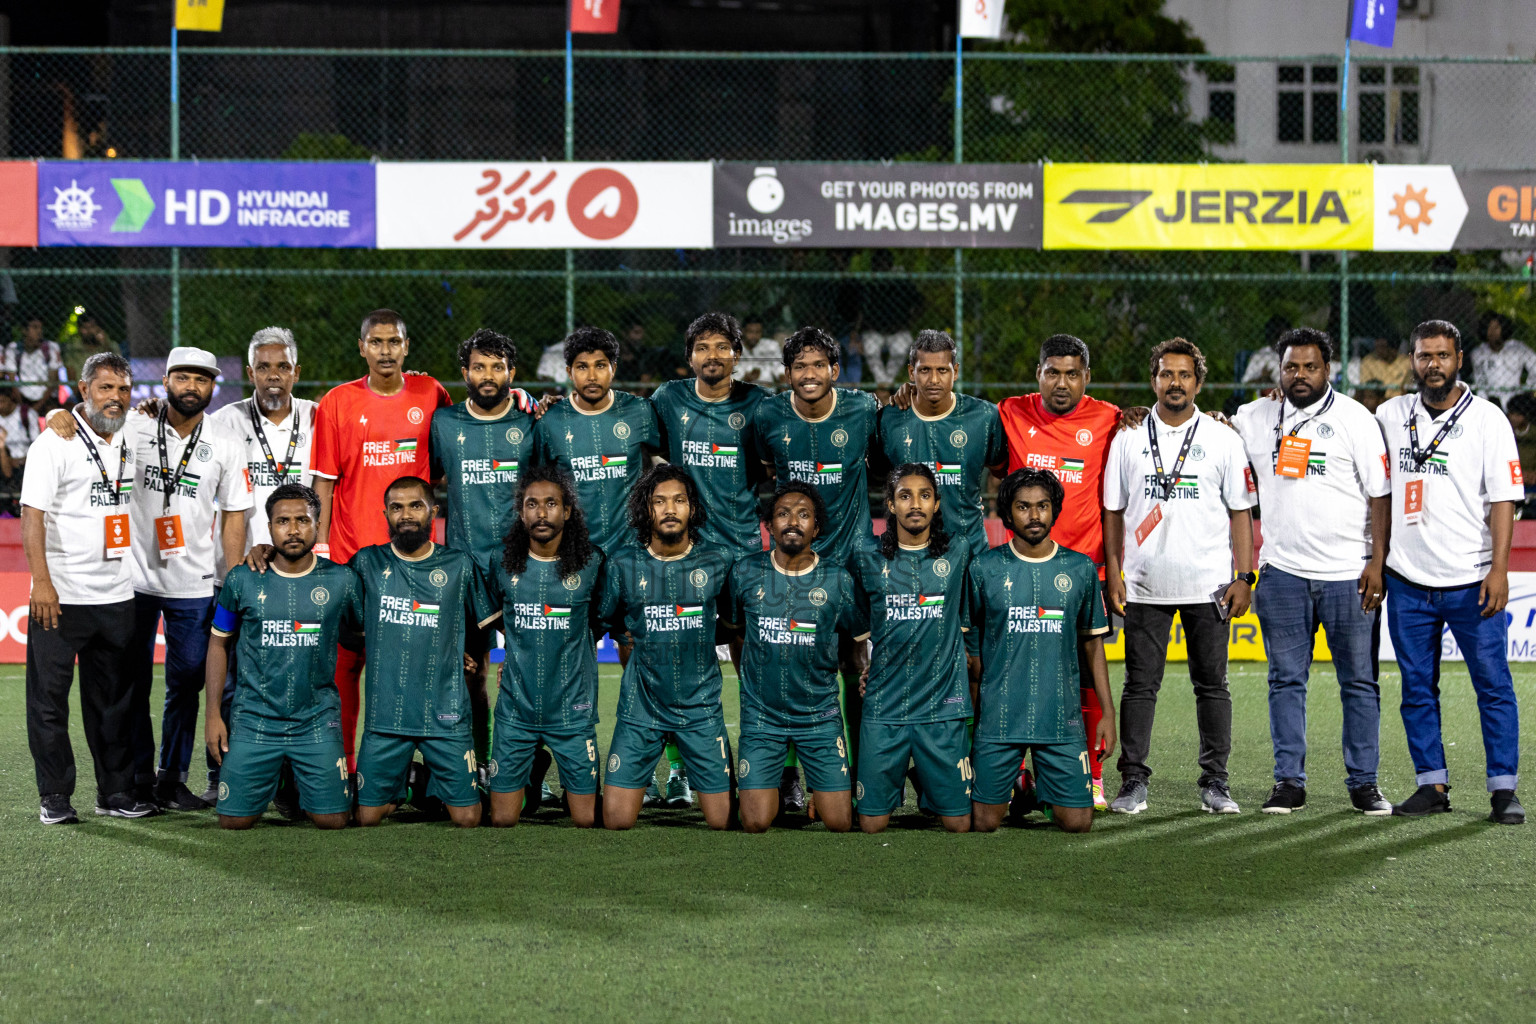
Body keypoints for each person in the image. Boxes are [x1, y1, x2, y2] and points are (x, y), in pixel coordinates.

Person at [1231, 328, 1394, 816]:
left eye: (1310, 367)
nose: (1300, 376)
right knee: (1285, 681)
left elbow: (1380, 493)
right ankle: (1289, 783)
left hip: (1349, 573)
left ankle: (1364, 783)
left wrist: (1376, 561)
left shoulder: (1356, 419)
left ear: (1329, 369)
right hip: (1281, 573)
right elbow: (1207, 426)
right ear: (1278, 370)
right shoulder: (1256, 416)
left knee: (1360, 682)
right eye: (1291, 367)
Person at [1377, 320, 1525, 825]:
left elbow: (1505, 499)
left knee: (1493, 686)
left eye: (1441, 355)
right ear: (1412, 360)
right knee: (1417, 688)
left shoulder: (1488, 419)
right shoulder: (1390, 414)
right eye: (1423, 356)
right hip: (1407, 580)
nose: (1432, 364)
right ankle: (1431, 784)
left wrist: (1500, 570)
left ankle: (1504, 790)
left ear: (1460, 358)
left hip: (1472, 578)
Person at [1103, 337, 1256, 816]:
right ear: (1153, 380)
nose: (1175, 383)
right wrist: (1114, 571)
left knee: (1213, 685)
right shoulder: (1127, 436)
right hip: (1145, 583)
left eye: (1184, 375)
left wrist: (1245, 577)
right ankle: (1132, 781)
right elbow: (1113, 510)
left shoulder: (1223, 438)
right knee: (1139, 685)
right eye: (1166, 374)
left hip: (1208, 584)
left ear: (1198, 381)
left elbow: (1241, 512)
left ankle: (1216, 783)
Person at [309, 309, 452, 772]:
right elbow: (324, 485)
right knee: (346, 669)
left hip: (416, 563)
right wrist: (322, 551)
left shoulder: (432, 393)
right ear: (362, 347)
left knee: (413, 670)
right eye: (376, 342)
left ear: (407, 347)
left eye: (394, 342)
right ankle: (346, 766)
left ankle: (420, 767)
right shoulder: (337, 402)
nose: (385, 350)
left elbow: (454, 447)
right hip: (355, 561)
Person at [22, 352, 157, 823]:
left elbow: (167, 414)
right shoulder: (53, 442)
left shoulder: (131, 432)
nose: (116, 398)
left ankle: (114, 793)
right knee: (48, 701)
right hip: (61, 596)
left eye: (123, 389)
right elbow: (32, 514)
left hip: (117, 593)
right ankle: (55, 796)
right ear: (84, 391)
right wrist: (41, 582)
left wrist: (154, 408)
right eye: (106, 388)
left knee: (114, 702)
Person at [649, 313, 775, 808]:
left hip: (742, 553)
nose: (713, 356)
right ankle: (679, 772)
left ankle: (761, 766)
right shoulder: (668, 400)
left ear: (738, 356)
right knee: (681, 660)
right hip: (684, 556)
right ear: (690, 356)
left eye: (723, 347)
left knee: (753, 662)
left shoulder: (758, 407)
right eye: (703, 347)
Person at [119, 348, 252, 810]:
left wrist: (232, 577)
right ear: (166, 381)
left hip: (194, 584)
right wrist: (61, 413)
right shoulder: (134, 425)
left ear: (213, 386)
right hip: (132, 579)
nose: (191, 386)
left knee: (188, 683)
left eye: (201, 379)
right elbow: (86, 430)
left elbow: (235, 514)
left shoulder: (225, 440)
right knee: (132, 681)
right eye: (182, 377)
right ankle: (136, 777)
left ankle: (170, 779)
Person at [996, 334, 1121, 809]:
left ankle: (1092, 774)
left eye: (1072, 373)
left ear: (1086, 377)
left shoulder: (1111, 420)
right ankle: (1015, 775)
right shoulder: (1009, 412)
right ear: (1039, 374)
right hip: (1020, 572)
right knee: (1016, 673)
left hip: (1085, 572)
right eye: (1053, 372)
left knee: (1086, 675)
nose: (1062, 382)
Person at [752, 325, 878, 787]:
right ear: (786, 374)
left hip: (851, 563)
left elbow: (883, 461)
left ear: (835, 370)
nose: (809, 374)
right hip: (791, 564)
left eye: (817, 365)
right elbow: (768, 472)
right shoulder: (768, 417)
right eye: (799, 366)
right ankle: (786, 779)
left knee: (855, 665)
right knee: (786, 663)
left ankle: (863, 771)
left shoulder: (864, 410)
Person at [966, 468, 1115, 833]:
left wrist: (1108, 713)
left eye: (1043, 506)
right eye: (1023, 507)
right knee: (984, 822)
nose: (1034, 516)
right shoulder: (983, 568)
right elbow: (971, 649)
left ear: (1055, 510)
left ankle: (1042, 792)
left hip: (1059, 717)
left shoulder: (1079, 568)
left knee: (1077, 823)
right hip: (1000, 716)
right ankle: (1021, 785)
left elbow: (1093, 645)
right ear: (1007, 512)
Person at [203, 484, 356, 830]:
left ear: (318, 525)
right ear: (269, 528)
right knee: (233, 822)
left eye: (303, 520)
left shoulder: (342, 580)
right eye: (283, 521)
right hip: (256, 718)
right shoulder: (242, 579)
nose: (293, 529)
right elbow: (217, 644)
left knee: (332, 820)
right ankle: (279, 777)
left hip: (315, 717)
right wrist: (213, 714)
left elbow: (362, 634)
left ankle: (290, 775)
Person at [598, 465, 735, 831]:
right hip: (641, 706)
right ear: (647, 509)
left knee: (723, 821)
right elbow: (606, 623)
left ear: (692, 508)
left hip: (700, 706)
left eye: (679, 500)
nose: (670, 509)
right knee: (615, 820)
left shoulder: (718, 560)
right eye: (659, 501)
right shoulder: (623, 564)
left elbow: (736, 625)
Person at [352, 476, 493, 828]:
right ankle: (411, 788)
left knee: (468, 819)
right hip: (387, 717)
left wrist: (454, 649)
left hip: (444, 715)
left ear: (433, 510)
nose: (406, 515)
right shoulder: (367, 563)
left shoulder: (459, 565)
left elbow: (485, 624)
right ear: (385, 513)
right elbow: (338, 615)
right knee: (366, 817)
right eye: (397, 507)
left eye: (415, 505)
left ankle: (424, 783)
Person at [724, 481, 863, 833]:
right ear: (769, 525)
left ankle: (822, 783)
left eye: (804, 515)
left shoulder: (837, 580)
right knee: (755, 822)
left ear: (816, 527)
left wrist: (865, 671)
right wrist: (749, 681)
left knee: (840, 822)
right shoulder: (744, 573)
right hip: (762, 716)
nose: (793, 521)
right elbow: (736, 631)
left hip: (819, 714)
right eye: (783, 513)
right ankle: (772, 783)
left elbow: (858, 637)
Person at [429, 328, 537, 770]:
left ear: (513, 372)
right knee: (470, 677)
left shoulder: (532, 424)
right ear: (465, 373)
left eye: (497, 367)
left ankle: (530, 773)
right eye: (479, 367)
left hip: (523, 570)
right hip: (465, 571)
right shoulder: (444, 423)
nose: (488, 375)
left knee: (530, 676)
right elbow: (428, 480)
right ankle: (477, 767)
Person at [848, 464, 975, 834]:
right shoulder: (866, 555)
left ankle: (927, 779)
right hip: (886, 703)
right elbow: (858, 626)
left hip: (942, 704)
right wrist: (864, 665)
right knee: (871, 825)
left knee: (959, 825)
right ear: (890, 504)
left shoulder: (958, 551)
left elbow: (966, 617)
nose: (914, 504)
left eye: (924, 495)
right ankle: (918, 775)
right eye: (904, 496)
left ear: (937, 504)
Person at [479, 466, 605, 828]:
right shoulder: (501, 563)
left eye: (551, 503)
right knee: (502, 819)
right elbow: (499, 617)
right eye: (532, 504)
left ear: (567, 511)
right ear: (521, 513)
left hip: (572, 711)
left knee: (585, 820)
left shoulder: (592, 563)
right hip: (516, 710)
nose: (541, 512)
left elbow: (599, 619)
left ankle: (545, 773)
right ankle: (531, 775)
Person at [876, 329, 1007, 558]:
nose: (934, 380)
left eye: (942, 370)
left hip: (971, 553)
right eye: (924, 370)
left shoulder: (985, 417)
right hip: (909, 556)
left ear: (955, 372)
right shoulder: (888, 420)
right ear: (911, 372)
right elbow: (877, 477)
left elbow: (1001, 471)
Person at [532, 325, 660, 556]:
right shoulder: (550, 422)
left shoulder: (639, 411)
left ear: (614, 368)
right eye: (582, 367)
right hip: (574, 552)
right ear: (569, 373)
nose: (592, 376)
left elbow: (671, 459)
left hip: (631, 552)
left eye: (600, 365)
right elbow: (540, 488)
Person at [1467, 312, 1536, 409]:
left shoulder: (1517, 348)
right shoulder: (1478, 353)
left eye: (1496, 328)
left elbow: (1534, 365)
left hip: (1516, 399)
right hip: (1491, 401)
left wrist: (1530, 389)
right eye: (1489, 328)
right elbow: (1480, 381)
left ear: (1503, 328)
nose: (1492, 332)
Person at [7, 315, 64, 413]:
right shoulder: (13, 348)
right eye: (34, 327)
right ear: (24, 330)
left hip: (46, 398)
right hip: (23, 396)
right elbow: (12, 381)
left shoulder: (51, 347)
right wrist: (22, 406)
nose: (39, 331)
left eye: (41, 328)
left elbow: (53, 381)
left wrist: (37, 407)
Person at [0, 382, 38, 516]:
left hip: (26, 460)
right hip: (4, 459)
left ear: (11, 399)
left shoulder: (27, 414)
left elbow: (37, 445)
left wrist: (22, 460)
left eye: (3, 401)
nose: (0, 406)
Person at [62, 310, 121, 388]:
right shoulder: (74, 347)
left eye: (92, 327)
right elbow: (70, 371)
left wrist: (105, 345)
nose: (89, 331)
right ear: (79, 329)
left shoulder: (111, 345)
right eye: (85, 328)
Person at [1348, 336, 1413, 400]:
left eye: (1382, 347)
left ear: (1393, 349)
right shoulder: (1369, 361)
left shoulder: (1406, 362)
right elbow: (1366, 389)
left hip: (1400, 401)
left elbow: (1408, 390)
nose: (1378, 350)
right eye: (1377, 346)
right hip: (1378, 402)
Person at [1505, 393, 1536, 516]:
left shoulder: (1533, 433)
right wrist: (1519, 475)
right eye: (1511, 413)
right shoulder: (1504, 433)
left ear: (1526, 415)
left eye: (1517, 414)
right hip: (1513, 479)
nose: (1512, 417)